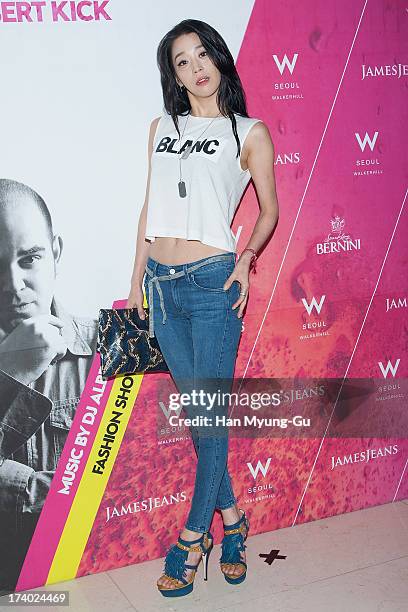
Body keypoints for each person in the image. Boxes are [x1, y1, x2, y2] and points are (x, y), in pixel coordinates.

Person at [126, 19, 278, 597]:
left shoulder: (250, 131)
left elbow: (268, 210)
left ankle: (195, 536)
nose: (196, 67)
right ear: (174, 75)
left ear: (220, 59)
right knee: (202, 419)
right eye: (182, 61)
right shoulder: (159, 128)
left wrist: (245, 260)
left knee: (210, 416)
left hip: (215, 284)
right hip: (162, 288)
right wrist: (136, 282)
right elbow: (148, 208)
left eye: (203, 54)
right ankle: (234, 521)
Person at [0, 179, 98, 593]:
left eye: (29, 259)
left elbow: (125, 482)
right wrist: (11, 374)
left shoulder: (105, 353)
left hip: (94, 579)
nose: (12, 285)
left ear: (55, 253)